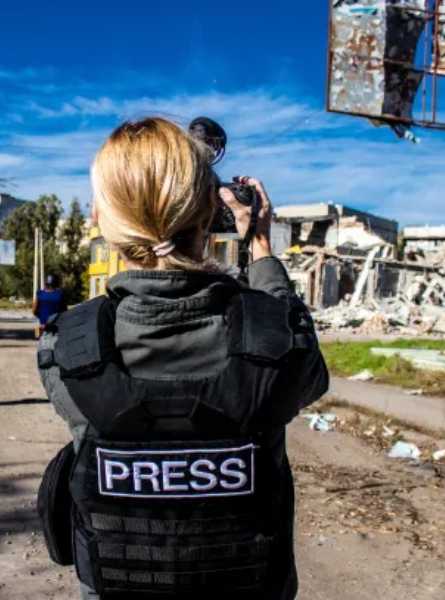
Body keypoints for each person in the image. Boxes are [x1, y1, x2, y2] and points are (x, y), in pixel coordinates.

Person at [37, 117, 328, 599]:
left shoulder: (66, 347)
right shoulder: (274, 340)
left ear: (101, 220)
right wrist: (259, 249)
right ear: (205, 215)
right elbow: (306, 370)